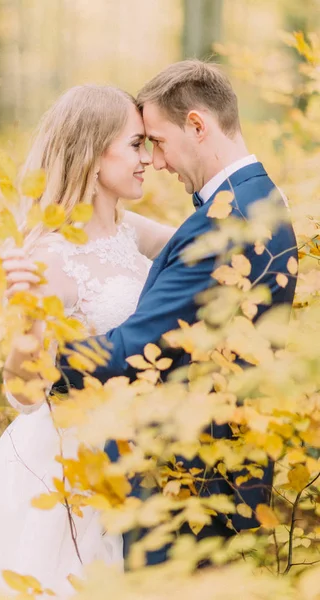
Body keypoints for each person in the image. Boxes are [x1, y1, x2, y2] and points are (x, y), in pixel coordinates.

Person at [0, 85, 176, 599]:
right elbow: (23, 394)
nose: (147, 159)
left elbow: (201, 249)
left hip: (136, 445)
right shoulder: (45, 256)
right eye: (134, 145)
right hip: (68, 461)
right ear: (92, 151)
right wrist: (33, 327)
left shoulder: (130, 231)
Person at [45, 60, 297, 564]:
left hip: (193, 482)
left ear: (198, 126)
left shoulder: (223, 224)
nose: (155, 162)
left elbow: (131, 349)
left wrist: (43, 366)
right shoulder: (258, 199)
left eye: (155, 141)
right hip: (217, 469)